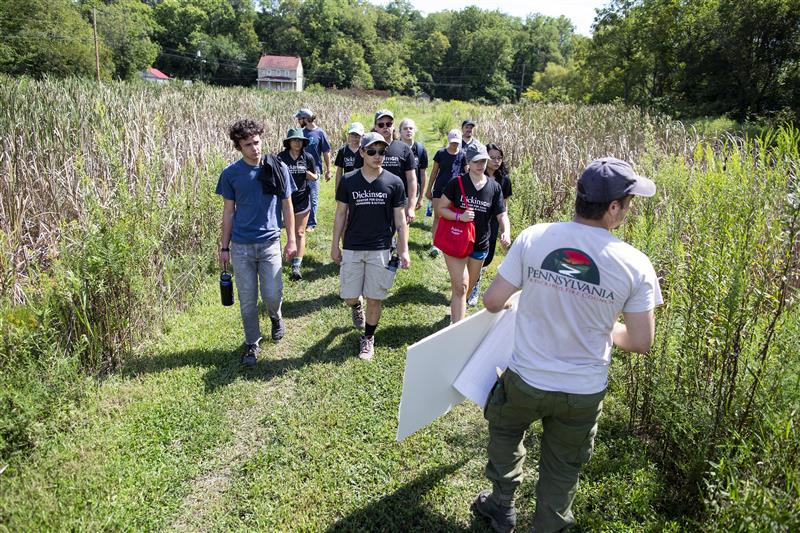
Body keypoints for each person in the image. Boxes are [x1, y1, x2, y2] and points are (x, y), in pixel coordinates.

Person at [472, 157, 662, 533]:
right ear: (612, 208)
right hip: (582, 390)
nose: (628, 210)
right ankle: (549, 524)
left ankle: (501, 506)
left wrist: (525, 297)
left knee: (506, 432)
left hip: (526, 378)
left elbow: (492, 301)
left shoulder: (535, 237)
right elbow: (641, 341)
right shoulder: (635, 264)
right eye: (627, 203)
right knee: (563, 468)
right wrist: (600, 326)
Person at [216, 119, 297, 367]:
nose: (255, 148)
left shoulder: (277, 168)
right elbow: (228, 212)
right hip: (241, 247)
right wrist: (224, 247)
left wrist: (291, 239)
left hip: (270, 242)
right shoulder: (231, 174)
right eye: (248, 144)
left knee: (272, 294)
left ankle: (275, 316)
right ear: (239, 147)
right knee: (248, 299)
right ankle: (252, 343)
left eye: (257, 142)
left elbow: (287, 204)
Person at [331, 132, 410, 361]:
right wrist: (335, 245)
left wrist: (403, 249)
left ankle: (368, 337)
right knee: (349, 296)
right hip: (353, 246)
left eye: (382, 152)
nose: (378, 156)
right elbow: (340, 214)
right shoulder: (349, 180)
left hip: (381, 248)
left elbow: (400, 219)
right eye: (373, 151)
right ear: (362, 152)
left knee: (375, 297)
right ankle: (356, 306)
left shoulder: (394, 183)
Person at [438, 143, 510, 323]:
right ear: (468, 162)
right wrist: (459, 216)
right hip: (457, 242)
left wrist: (505, 231)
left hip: (480, 243)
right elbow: (441, 209)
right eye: (476, 161)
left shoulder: (494, 187)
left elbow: (502, 214)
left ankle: (455, 307)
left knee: (468, 287)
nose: (481, 165)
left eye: (484, 161)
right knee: (461, 287)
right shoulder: (457, 183)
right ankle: (456, 331)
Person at [467, 142, 513, 306]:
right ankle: (467, 286)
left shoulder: (504, 180)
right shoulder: (475, 172)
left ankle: (473, 281)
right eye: (492, 157)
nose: (496, 161)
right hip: (471, 220)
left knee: (486, 257)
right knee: (467, 255)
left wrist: (504, 228)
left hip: (492, 223)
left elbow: (504, 206)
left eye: (499, 157)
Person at [277, 127, 318, 281]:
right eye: (294, 140)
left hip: (302, 199)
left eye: (300, 140)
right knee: (286, 231)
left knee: (300, 232)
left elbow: (315, 177)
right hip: (284, 200)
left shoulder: (308, 158)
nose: (297, 142)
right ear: (289, 142)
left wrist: (309, 175)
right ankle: (285, 256)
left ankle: (296, 266)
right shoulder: (281, 157)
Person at [426, 129, 466, 257]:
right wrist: (428, 189)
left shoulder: (463, 155)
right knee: (438, 217)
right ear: (449, 141)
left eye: (457, 143)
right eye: (453, 142)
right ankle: (435, 245)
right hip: (440, 188)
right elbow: (434, 172)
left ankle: (449, 242)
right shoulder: (441, 153)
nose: (454, 145)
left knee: (452, 218)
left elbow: (465, 174)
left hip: (455, 191)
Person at [373, 109, 417, 223]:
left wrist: (411, 207)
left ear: (393, 127)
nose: (385, 127)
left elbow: (412, 179)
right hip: (374, 200)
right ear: (375, 127)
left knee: (401, 233)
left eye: (388, 124)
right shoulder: (367, 149)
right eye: (381, 124)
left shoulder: (404, 148)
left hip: (400, 201)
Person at [294, 108, 331, 231]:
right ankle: (298, 219)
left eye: (300, 118)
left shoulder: (320, 133)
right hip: (299, 169)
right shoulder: (300, 133)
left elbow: (326, 151)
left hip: (314, 169)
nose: (298, 121)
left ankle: (311, 223)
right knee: (298, 194)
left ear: (306, 118)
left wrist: (328, 170)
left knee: (312, 196)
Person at [398, 117, 428, 214]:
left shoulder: (420, 150)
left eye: (411, 128)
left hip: (412, 193)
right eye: (405, 128)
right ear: (400, 131)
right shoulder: (393, 148)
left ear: (415, 130)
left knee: (406, 222)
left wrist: (421, 197)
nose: (408, 131)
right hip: (395, 190)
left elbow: (423, 174)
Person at [334, 122, 365, 190]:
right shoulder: (343, 150)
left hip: (362, 184)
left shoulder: (365, 150)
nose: (354, 137)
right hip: (347, 184)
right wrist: (337, 188)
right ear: (348, 135)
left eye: (357, 135)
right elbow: (339, 171)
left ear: (362, 135)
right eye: (352, 134)